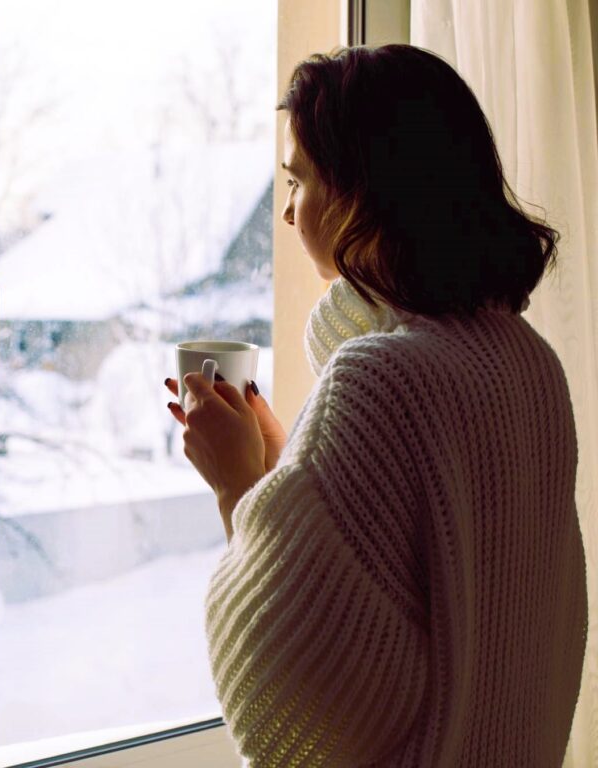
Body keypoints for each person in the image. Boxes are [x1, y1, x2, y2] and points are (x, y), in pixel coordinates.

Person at [164, 44, 587, 766]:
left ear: (366, 190)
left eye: (299, 179)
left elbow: (306, 685)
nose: (291, 212)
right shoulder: (528, 361)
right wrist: (285, 488)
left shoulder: (379, 379)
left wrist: (238, 487)